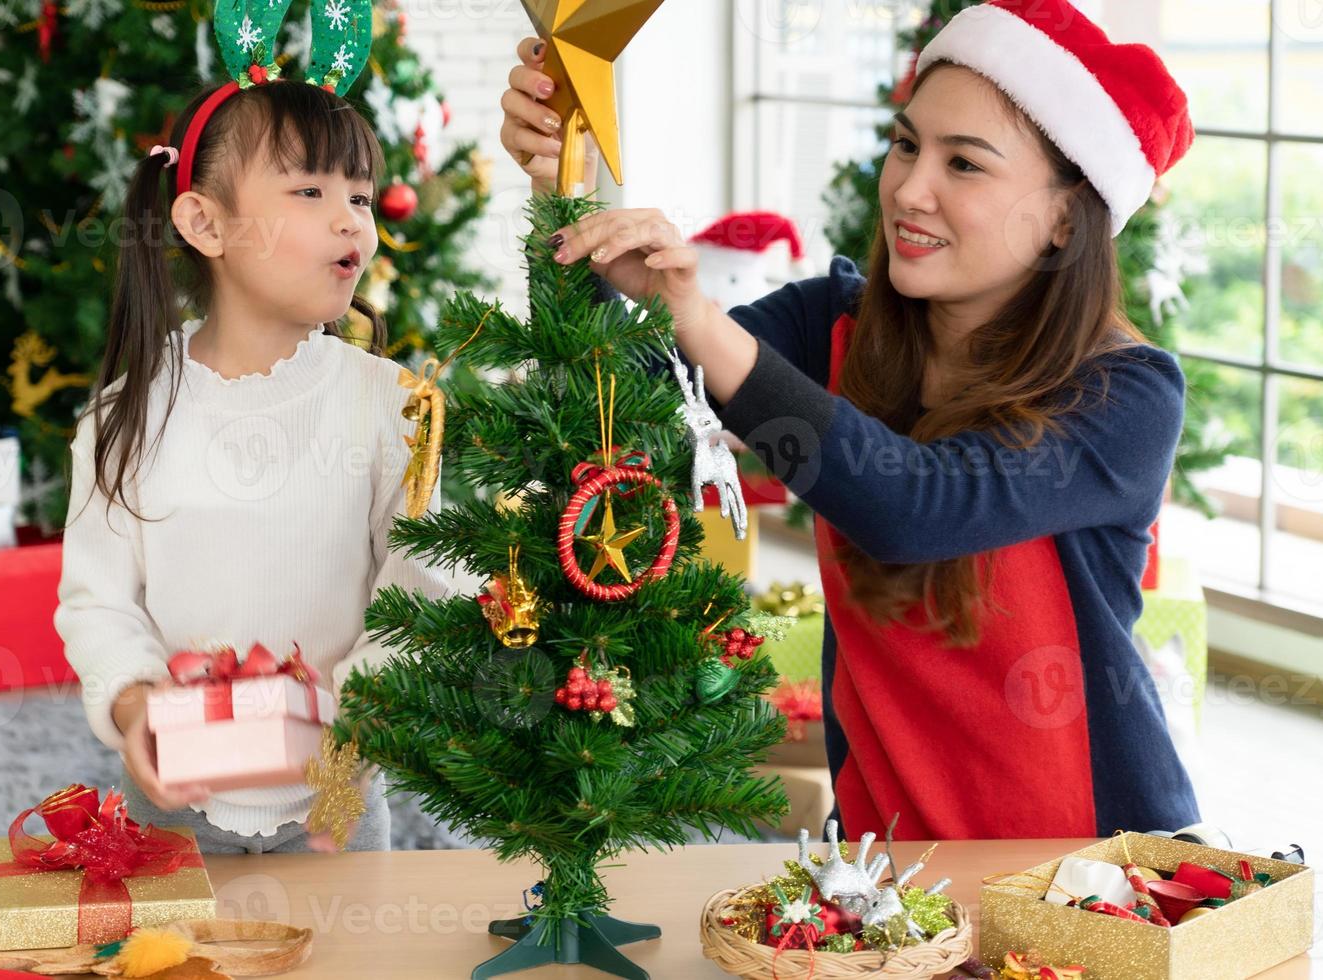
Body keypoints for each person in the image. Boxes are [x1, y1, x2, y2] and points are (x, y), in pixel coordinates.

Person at [499, 0, 1202, 839]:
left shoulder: (1124, 394)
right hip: (880, 877)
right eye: (905, 145)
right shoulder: (826, 324)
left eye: (964, 164)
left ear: (1062, 216)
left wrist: (697, 318)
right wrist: (557, 197)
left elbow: (913, 508)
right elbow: (602, 409)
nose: (909, 189)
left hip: (1088, 877)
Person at [55, 75, 449, 854]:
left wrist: (354, 742)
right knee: (182, 971)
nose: (351, 222)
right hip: (170, 800)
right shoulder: (120, 419)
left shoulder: (394, 406)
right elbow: (98, 604)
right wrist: (135, 710)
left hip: (336, 791)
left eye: (363, 198)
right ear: (205, 222)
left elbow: (420, 591)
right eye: (309, 190)